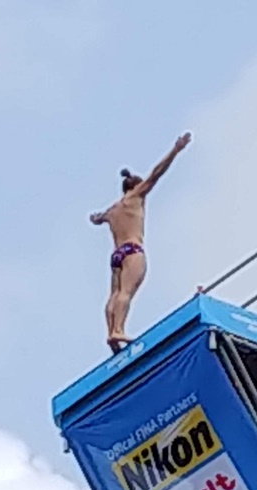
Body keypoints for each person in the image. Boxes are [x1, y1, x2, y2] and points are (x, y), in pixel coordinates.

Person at [90, 132, 192, 353]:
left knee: (114, 294)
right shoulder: (135, 197)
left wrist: (97, 218)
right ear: (136, 187)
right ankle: (118, 329)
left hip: (116, 255)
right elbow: (157, 173)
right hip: (132, 250)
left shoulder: (113, 210)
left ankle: (111, 331)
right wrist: (176, 150)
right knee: (126, 292)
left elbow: (98, 218)